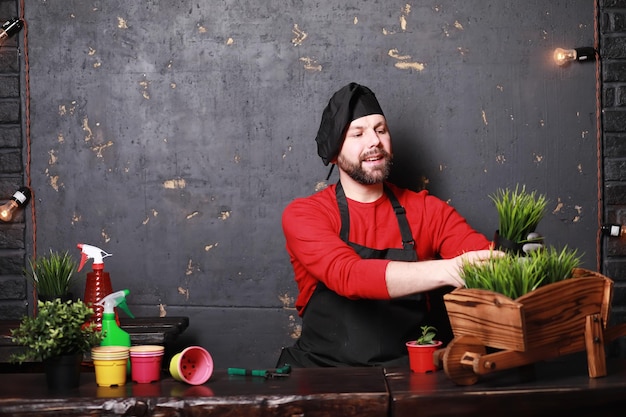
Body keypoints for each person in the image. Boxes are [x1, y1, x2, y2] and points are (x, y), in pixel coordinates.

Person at [277, 82, 501, 368]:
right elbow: (349, 275)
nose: (374, 142)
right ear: (334, 152)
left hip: (410, 372)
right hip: (322, 374)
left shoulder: (427, 209)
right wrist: (452, 269)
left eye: (380, 130)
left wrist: (509, 259)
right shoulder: (306, 214)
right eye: (358, 133)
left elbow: (486, 259)